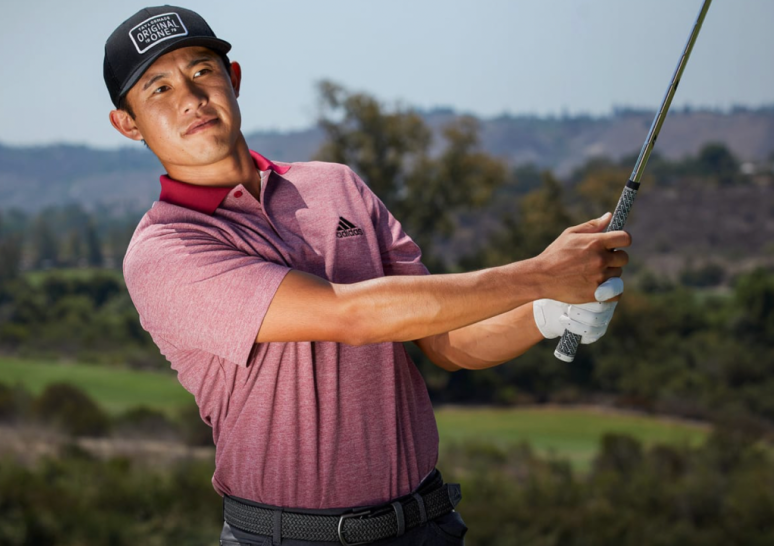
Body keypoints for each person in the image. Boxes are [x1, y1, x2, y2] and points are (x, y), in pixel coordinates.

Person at [103, 6, 629, 545]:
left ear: (233, 78)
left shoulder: (337, 185)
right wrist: (541, 275)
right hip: (292, 538)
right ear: (128, 123)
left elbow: (445, 340)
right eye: (159, 89)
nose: (191, 97)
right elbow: (350, 315)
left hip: (427, 524)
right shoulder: (164, 250)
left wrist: (544, 313)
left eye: (202, 71)